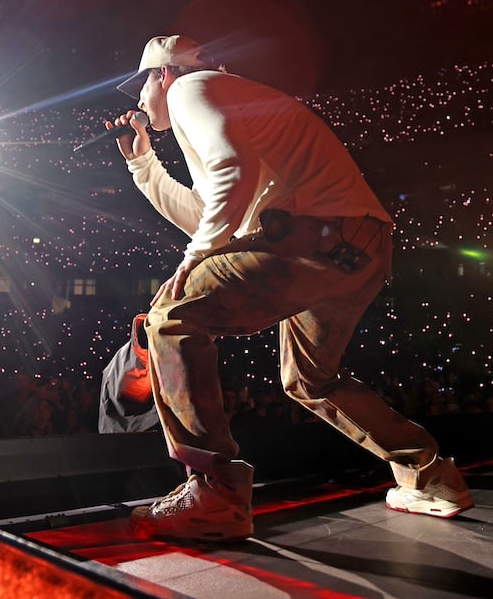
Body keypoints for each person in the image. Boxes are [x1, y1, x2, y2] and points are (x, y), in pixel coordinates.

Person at [110, 35, 473, 541]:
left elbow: (231, 175)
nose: (139, 103)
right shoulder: (221, 96)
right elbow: (213, 211)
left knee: (172, 314)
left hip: (315, 236)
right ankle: (431, 476)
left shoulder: (190, 90)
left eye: (142, 86)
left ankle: (215, 494)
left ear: (163, 75)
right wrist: (143, 164)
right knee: (309, 378)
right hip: (358, 244)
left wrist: (191, 264)